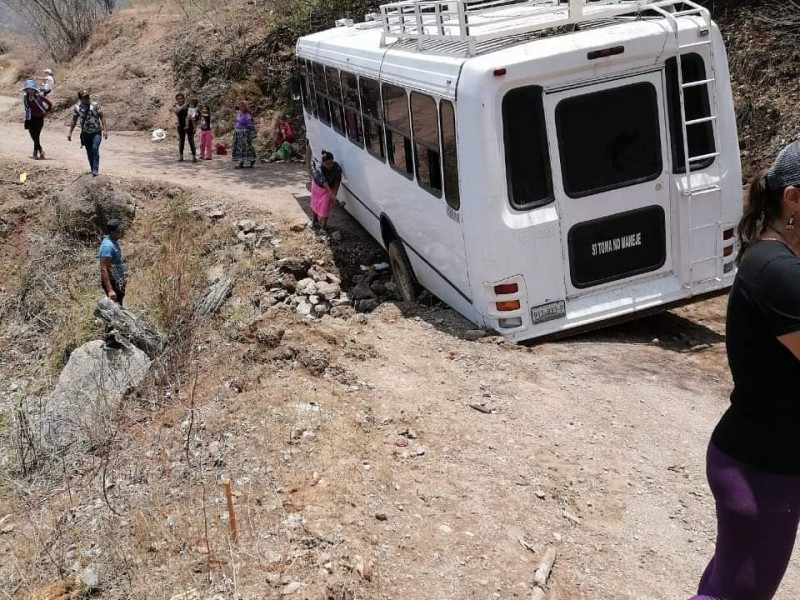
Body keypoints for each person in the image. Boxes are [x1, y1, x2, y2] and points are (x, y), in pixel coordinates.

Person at [688, 140, 800, 600]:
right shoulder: (779, 273)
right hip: (762, 470)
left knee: (725, 585)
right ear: (793, 198)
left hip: (756, 460)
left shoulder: (772, 260)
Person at [98, 218, 126, 350]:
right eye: (119, 230)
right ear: (112, 232)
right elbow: (103, 268)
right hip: (112, 283)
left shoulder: (113, 242)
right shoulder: (108, 246)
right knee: (113, 311)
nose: (122, 232)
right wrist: (110, 290)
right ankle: (110, 341)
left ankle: (115, 337)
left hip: (117, 281)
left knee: (117, 309)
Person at [67, 90, 107, 177]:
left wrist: (105, 130)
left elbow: (102, 117)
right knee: (89, 152)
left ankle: (95, 169)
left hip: (96, 132)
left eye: (88, 96)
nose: (87, 98)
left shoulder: (95, 105)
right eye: (85, 97)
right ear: (80, 98)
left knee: (94, 148)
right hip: (85, 133)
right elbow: (74, 120)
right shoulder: (77, 107)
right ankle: (93, 169)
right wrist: (70, 132)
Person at [309, 150, 343, 237]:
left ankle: (323, 227)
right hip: (318, 187)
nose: (329, 166)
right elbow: (324, 182)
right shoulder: (319, 168)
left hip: (330, 189)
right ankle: (314, 220)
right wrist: (331, 193)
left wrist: (334, 194)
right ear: (323, 163)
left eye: (331, 163)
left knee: (325, 207)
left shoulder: (337, 168)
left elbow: (337, 182)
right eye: (327, 164)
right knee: (315, 204)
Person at [21, 79, 52, 160]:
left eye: (31, 89)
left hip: (39, 119)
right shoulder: (25, 98)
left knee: (36, 135)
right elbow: (27, 109)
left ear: (34, 90)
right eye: (28, 89)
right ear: (26, 90)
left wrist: (46, 111)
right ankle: (41, 150)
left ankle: (35, 152)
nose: (30, 91)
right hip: (30, 119)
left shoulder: (39, 97)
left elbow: (50, 104)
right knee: (33, 135)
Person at [173, 92, 196, 162]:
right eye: (178, 99)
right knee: (181, 141)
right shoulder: (175, 106)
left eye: (181, 98)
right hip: (180, 126)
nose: (180, 100)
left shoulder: (189, 107)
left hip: (189, 126)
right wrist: (183, 106)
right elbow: (177, 111)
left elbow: (192, 117)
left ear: (184, 99)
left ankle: (194, 156)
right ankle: (181, 156)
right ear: (176, 100)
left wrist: (195, 127)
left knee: (191, 141)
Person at [232, 101, 256, 168]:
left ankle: (251, 160)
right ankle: (241, 162)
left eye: (242, 106)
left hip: (244, 134)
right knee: (238, 147)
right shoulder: (239, 114)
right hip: (238, 134)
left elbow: (250, 125)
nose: (240, 107)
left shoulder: (247, 115)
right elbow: (236, 121)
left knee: (245, 147)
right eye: (240, 106)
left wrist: (251, 132)